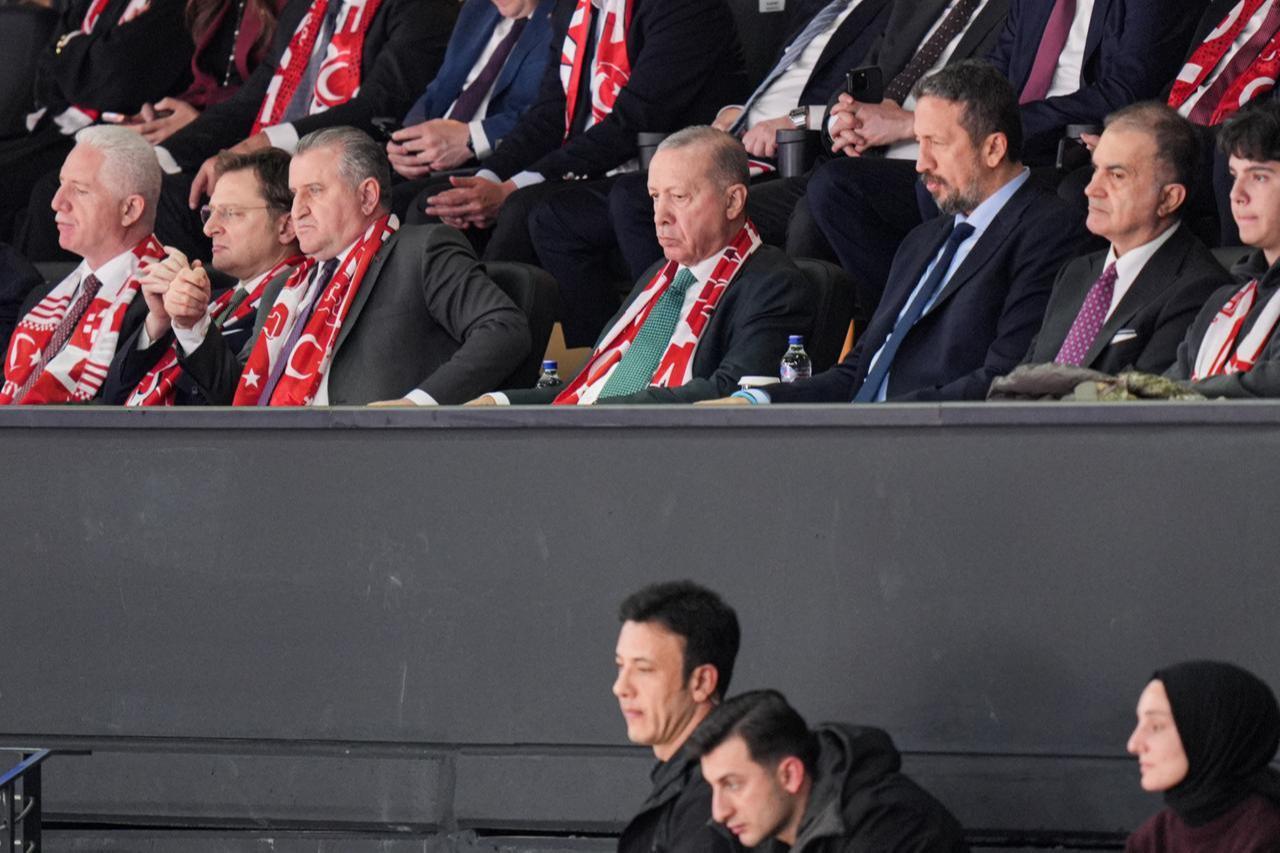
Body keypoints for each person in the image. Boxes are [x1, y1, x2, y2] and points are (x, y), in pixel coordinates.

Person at [713, 61, 1085, 405]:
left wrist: (880, 419)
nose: (922, 164)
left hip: (931, 447)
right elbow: (857, 374)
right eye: (918, 143)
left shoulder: (1049, 232)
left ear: (993, 148)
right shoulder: (922, 242)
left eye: (936, 144)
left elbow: (1004, 381)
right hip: (866, 437)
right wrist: (758, 402)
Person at [809, 0, 1199, 317]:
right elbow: (992, 72)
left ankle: (959, 320)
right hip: (1002, 144)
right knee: (838, 187)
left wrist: (1007, 126)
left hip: (1074, 150)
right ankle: (907, 321)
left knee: (948, 183)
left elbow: (1123, 90)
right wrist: (940, 117)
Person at [528, 0, 894, 335]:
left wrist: (790, 120)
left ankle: (677, 335)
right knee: (553, 216)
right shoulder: (820, 8)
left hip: (790, 148)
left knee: (635, 199)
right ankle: (608, 351)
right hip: (738, 134)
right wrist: (733, 113)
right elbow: (772, 85)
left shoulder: (888, 12)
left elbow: (844, 106)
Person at [175, 126, 530, 406]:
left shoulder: (419, 251)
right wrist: (193, 327)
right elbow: (241, 394)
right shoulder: (283, 290)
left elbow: (503, 328)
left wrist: (417, 405)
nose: (297, 209)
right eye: (294, 193)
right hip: (280, 464)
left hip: (378, 460)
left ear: (367, 196)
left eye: (313, 190)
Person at [469, 127, 815, 405]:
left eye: (679, 197)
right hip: (594, 438)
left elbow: (731, 394)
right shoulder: (657, 278)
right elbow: (586, 388)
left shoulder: (772, 284)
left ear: (733, 200)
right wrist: (496, 402)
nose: (660, 218)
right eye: (654, 197)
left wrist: (606, 412)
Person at [405, 0, 746, 276]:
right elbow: (548, 115)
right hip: (588, 163)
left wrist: (511, 189)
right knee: (435, 205)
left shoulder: (683, 8)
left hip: (653, 167)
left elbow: (633, 121)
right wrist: (488, 178)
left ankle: (508, 341)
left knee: (525, 208)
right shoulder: (574, 9)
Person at [148, 0, 458, 259]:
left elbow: (379, 105)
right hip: (273, 165)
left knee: (170, 203)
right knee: (151, 187)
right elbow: (252, 99)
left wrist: (266, 142)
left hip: (342, 169)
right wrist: (159, 156)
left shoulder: (422, 6)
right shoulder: (306, 6)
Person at [14, 0, 290, 261]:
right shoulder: (210, 6)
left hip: (242, 141)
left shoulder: (290, 8)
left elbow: (115, 76)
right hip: (193, 128)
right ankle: (57, 304)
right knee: (51, 191)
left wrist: (197, 125)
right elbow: (47, 70)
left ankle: (129, 302)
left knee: (141, 195)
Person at [1018, 103, 1229, 376]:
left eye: (1117, 175)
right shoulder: (1077, 272)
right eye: (1095, 170)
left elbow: (1138, 405)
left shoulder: (1199, 289)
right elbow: (1021, 378)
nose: (1091, 188)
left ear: (1168, 198)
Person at [99, 148, 307, 405]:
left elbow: (244, 405)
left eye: (230, 213)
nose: (209, 229)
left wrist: (192, 325)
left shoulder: (300, 301)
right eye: (209, 213)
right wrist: (159, 321)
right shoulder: (216, 299)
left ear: (286, 227)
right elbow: (113, 400)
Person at [0, 0, 192, 244]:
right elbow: (46, 70)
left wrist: (71, 48)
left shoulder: (172, 8)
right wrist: (85, 60)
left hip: (118, 134)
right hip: (58, 124)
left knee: (43, 193)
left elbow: (116, 78)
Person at [0, 126, 165, 404]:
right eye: (61, 183)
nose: (56, 202)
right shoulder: (40, 297)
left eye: (79, 190)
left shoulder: (160, 301)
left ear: (130, 210)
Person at [691, 690, 968, 852]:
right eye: (713, 786)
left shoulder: (894, 826)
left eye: (733, 784)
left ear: (790, 775)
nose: (719, 812)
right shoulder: (765, 831)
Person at [385, 0, 554, 215]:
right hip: (432, 156)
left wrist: (472, 137)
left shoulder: (565, 16)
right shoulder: (478, 7)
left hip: (496, 161)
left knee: (399, 206)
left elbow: (549, 115)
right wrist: (408, 140)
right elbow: (439, 88)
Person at [612, 581, 742, 853]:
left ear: (702, 682)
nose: (621, 688)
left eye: (644, 670)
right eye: (621, 666)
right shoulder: (693, 784)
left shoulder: (712, 797)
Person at [1169, 101, 1280, 396]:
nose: (1236, 194)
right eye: (1234, 175)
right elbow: (1163, 390)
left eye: (1259, 177)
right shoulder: (1224, 298)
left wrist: (1185, 393)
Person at [1125, 660, 1280, 851]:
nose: (1133, 744)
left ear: (1212, 734)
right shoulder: (1152, 837)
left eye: (1156, 726)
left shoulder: (1267, 836)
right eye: (1139, 723)